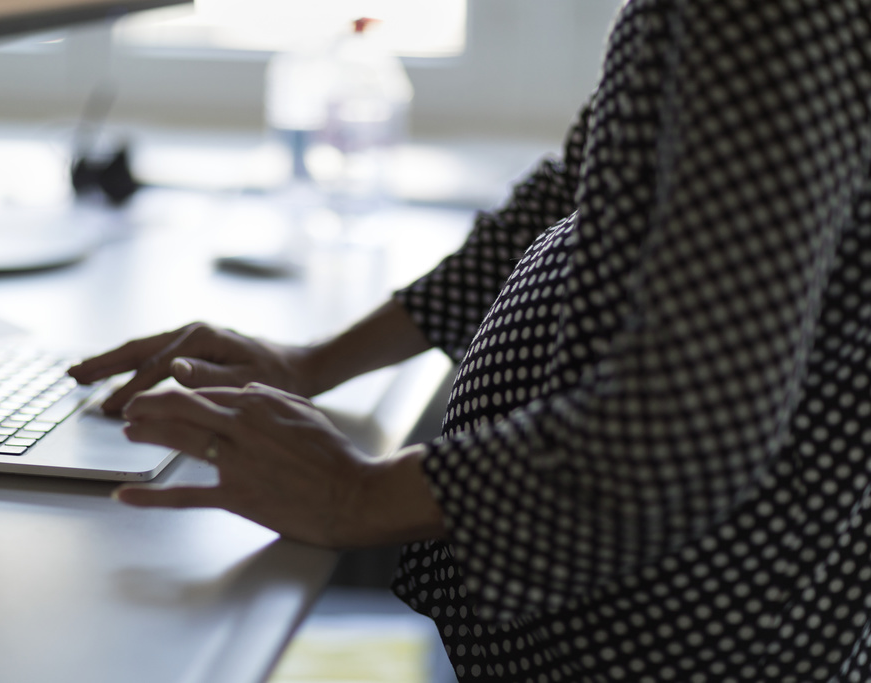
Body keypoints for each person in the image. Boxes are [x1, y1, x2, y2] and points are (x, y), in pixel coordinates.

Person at [69, 0, 871, 680]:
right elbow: (582, 187)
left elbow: (682, 428)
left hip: (695, 632)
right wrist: (314, 361)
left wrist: (358, 495)